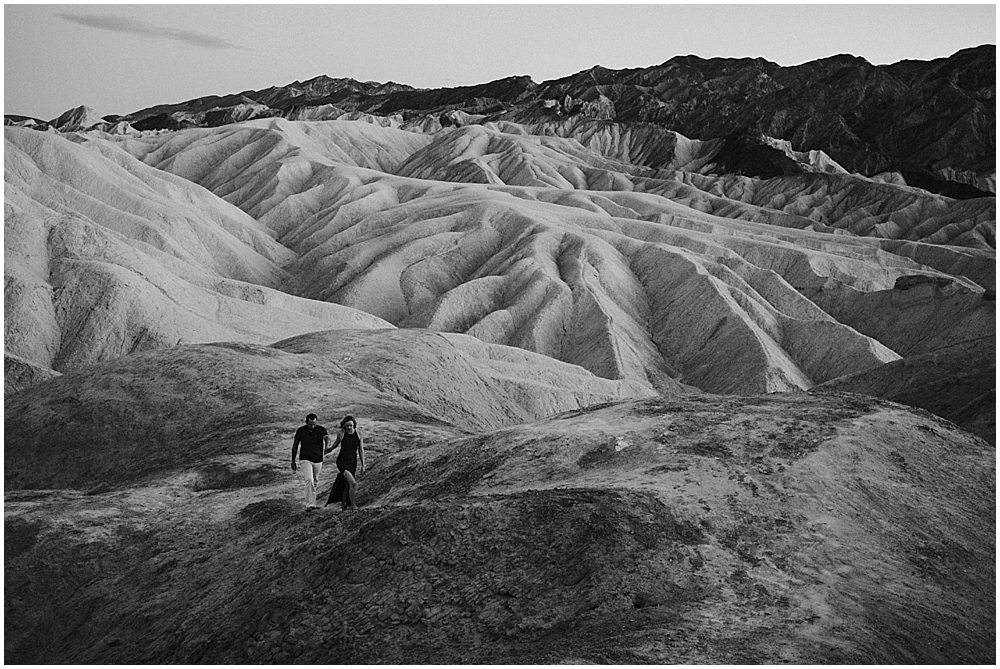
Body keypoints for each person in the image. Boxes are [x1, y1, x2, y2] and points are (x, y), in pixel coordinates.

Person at [325, 415, 365, 510]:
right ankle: (354, 506)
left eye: (350, 425)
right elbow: (336, 444)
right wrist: (330, 449)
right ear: (344, 426)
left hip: (353, 462)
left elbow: (361, 450)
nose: (349, 428)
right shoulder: (341, 434)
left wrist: (363, 465)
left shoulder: (359, 434)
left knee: (347, 484)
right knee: (353, 483)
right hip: (342, 461)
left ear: (354, 425)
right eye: (347, 426)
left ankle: (344, 505)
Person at [291, 413, 330, 509]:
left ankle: (313, 502)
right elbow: (295, 445)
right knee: (309, 479)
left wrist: (326, 446)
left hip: (318, 459)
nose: (312, 426)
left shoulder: (321, 429)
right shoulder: (301, 431)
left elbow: (327, 437)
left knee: (315, 482)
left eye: (314, 424)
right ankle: (310, 505)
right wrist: (293, 460)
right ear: (306, 422)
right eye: (310, 424)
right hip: (305, 459)